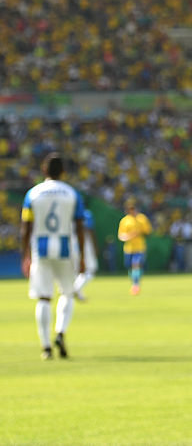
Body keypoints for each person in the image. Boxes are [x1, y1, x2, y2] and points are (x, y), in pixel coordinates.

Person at [20, 153, 87, 360]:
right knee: (67, 294)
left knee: (43, 298)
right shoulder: (72, 194)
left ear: (44, 171)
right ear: (63, 172)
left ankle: (46, 347)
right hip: (65, 250)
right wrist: (83, 256)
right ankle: (60, 332)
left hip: (41, 250)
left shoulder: (33, 194)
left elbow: (25, 228)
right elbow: (79, 226)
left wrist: (25, 255)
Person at [118, 197, 152, 296]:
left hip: (139, 247)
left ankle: (136, 285)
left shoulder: (142, 219)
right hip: (129, 249)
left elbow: (148, 232)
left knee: (136, 264)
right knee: (130, 266)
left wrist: (140, 232)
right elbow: (121, 235)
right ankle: (135, 281)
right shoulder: (125, 221)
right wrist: (129, 236)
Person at [73, 208, 98, 301]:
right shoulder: (86, 214)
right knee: (91, 270)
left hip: (71, 241)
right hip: (84, 241)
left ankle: (79, 293)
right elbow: (90, 230)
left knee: (76, 270)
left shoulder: (69, 212)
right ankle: (76, 288)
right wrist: (95, 246)